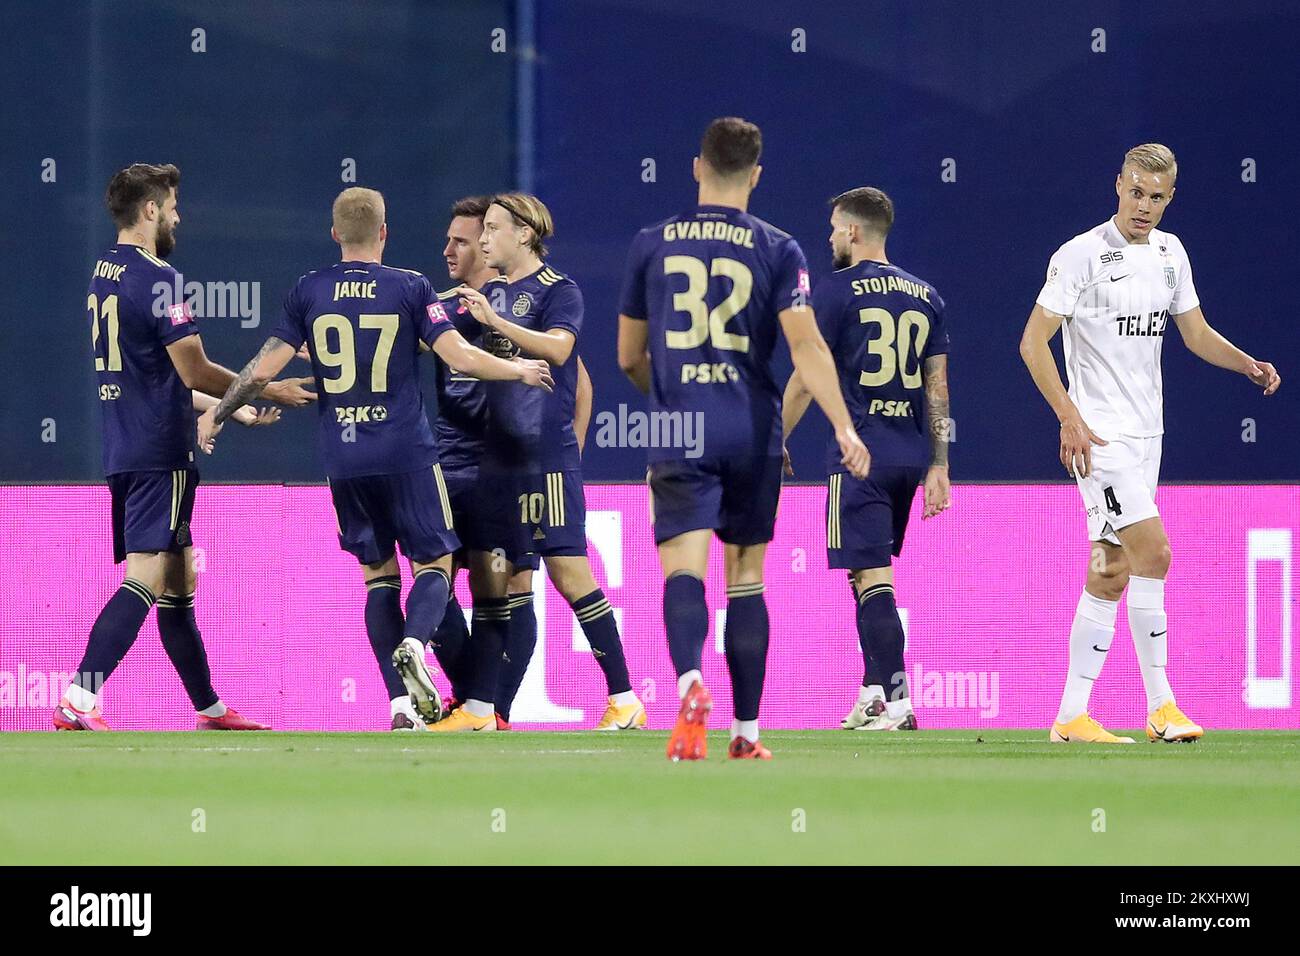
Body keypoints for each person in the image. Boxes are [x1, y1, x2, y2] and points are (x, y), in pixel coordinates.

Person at [196, 187, 552, 731]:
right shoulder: (412, 287)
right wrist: (519, 370)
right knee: (435, 565)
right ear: (384, 232)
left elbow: (262, 371)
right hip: (407, 453)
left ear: (335, 233)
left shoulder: (308, 290)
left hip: (343, 457)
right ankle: (414, 642)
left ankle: (399, 705)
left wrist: (219, 413)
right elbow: (459, 355)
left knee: (378, 580)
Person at [617, 117, 870, 760]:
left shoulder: (651, 243)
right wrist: (843, 426)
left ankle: (690, 681)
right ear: (756, 176)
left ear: (696, 166)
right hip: (752, 428)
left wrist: (670, 396)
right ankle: (747, 734)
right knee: (748, 577)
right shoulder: (780, 248)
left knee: (682, 569)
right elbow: (806, 346)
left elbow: (627, 357)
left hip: (680, 425)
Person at [1019, 144, 1281, 744]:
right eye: (1135, 192)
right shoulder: (1080, 255)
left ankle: (1069, 718)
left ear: (1170, 197)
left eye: (1157, 196)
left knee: (1110, 569)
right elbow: (1033, 343)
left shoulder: (1171, 254)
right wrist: (1068, 417)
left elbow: (1194, 332)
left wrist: (1246, 365)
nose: (1144, 205)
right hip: (1100, 437)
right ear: (1118, 186)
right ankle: (1162, 706)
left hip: (1148, 437)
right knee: (1154, 553)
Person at [58, 163, 314, 732]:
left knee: (177, 580)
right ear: (150, 210)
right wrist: (265, 386)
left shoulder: (103, 273)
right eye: (172, 206)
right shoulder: (161, 279)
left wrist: (227, 410)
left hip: (125, 445)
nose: (179, 216)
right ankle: (79, 696)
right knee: (146, 577)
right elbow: (192, 368)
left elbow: (150, 374)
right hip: (159, 453)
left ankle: (209, 708)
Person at [426, 192, 644, 732]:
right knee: (493, 583)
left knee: (570, 576)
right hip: (498, 465)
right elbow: (440, 338)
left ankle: (624, 697)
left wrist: (495, 321)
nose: (483, 240)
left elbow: (560, 350)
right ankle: (478, 709)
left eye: (492, 229)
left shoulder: (558, 290)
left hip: (544, 462)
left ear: (524, 233)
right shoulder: (489, 293)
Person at [784, 187, 952, 732]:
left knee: (873, 577)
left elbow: (808, 377)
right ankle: (875, 693)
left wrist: (775, 438)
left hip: (860, 456)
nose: (830, 237)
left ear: (853, 232)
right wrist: (940, 463)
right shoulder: (927, 295)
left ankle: (901, 702)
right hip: (908, 456)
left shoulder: (832, 292)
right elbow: (938, 389)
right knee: (866, 577)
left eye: (834, 227)